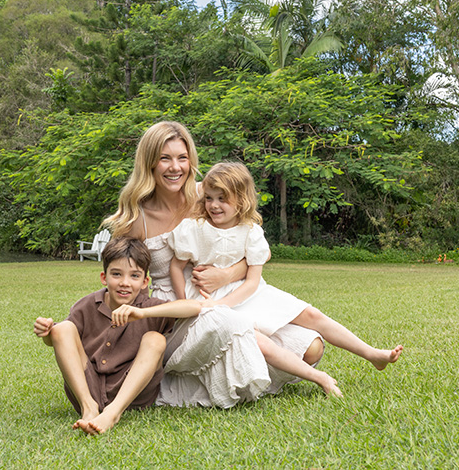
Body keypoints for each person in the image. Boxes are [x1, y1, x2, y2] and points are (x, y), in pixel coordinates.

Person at [103, 121, 325, 407]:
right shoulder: (136, 218)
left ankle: (254, 365)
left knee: (311, 348)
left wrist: (227, 274)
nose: (175, 167)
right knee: (235, 328)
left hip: (220, 294)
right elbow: (123, 278)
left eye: (182, 158)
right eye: (165, 158)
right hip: (174, 310)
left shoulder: (206, 194)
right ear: (149, 163)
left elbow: (258, 250)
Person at [168, 162, 404, 396]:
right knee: (257, 341)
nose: (214, 205)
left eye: (222, 199)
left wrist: (221, 303)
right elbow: (176, 267)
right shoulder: (195, 227)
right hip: (210, 301)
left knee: (311, 314)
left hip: (247, 293)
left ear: (241, 199)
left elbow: (252, 282)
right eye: (209, 198)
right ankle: (319, 378)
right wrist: (186, 302)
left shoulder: (251, 231)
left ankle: (372, 354)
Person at [33, 237, 202, 435]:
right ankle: (89, 408)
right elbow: (61, 341)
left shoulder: (148, 307)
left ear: (144, 282)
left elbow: (194, 307)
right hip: (88, 387)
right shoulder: (86, 305)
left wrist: (143, 313)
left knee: (155, 339)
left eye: (134, 276)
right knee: (62, 328)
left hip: (132, 394)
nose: (124, 283)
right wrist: (47, 333)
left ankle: (113, 412)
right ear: (104, 277)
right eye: (116, 274)